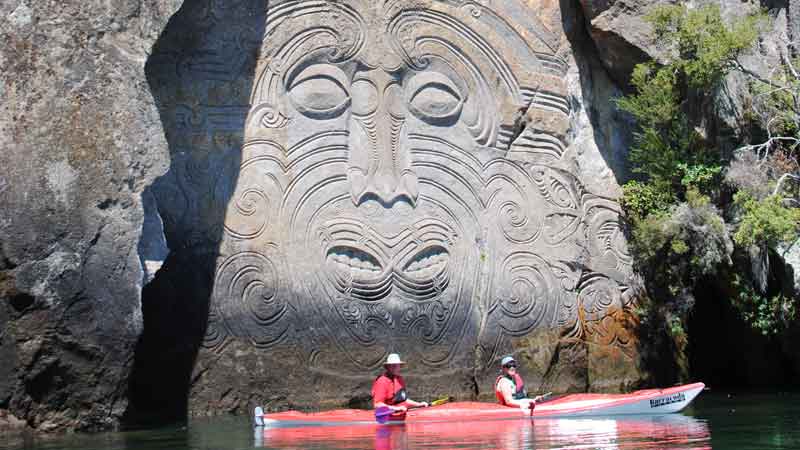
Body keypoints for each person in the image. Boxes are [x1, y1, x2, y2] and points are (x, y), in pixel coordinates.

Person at [372, 353, 428, 420]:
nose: (395, 367)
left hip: (399, 411)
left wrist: (419, 404)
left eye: (397, 365)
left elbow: (404, 400)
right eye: (392, 365)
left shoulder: (399, 379)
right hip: (387, 415)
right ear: (387, 367)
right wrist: (397, 408)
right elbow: (377, 404)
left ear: (399, 366)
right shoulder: (382, 381)